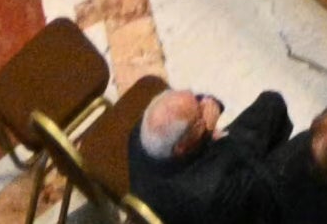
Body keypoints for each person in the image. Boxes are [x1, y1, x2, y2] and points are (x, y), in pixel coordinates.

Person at [127, 88, 297, 220]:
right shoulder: (214, 190)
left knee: (271, 104)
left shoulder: (140, 136)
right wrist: (218, 138)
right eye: (200, 115)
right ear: (182, 146)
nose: (204, 105)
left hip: (168, 194)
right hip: (216, 194)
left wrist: (210, 108)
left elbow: (188, 110)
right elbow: (247, 167)